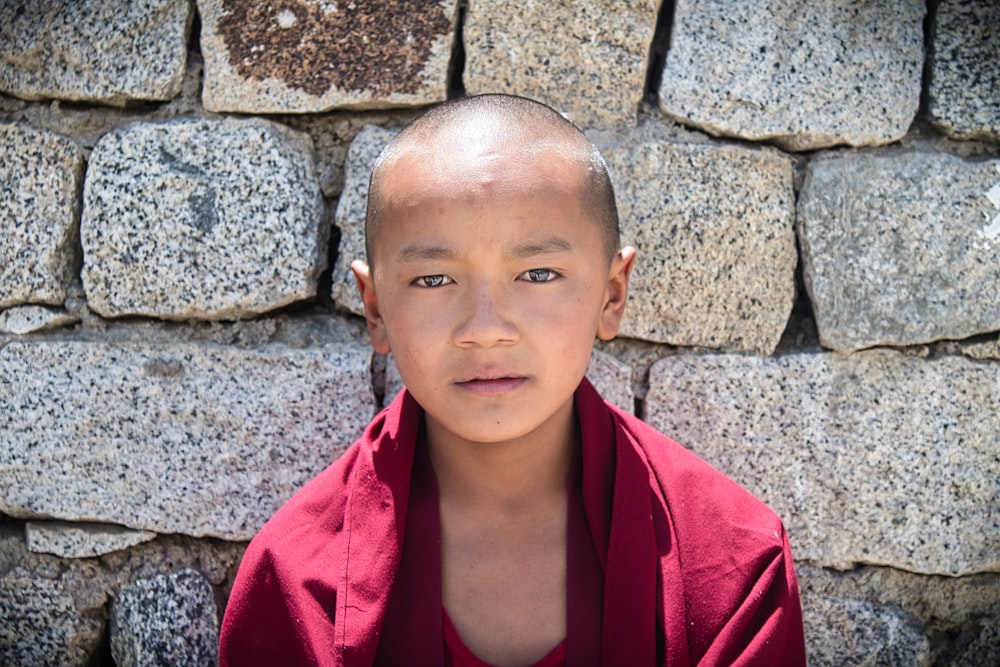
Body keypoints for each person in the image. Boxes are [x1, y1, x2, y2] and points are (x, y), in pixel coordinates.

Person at [219, 94, 806, 666]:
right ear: (375, 310)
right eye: (432, 280)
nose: (485, 329)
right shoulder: (295, 581)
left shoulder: (731, 567)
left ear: (611, 294)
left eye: (539, 273)